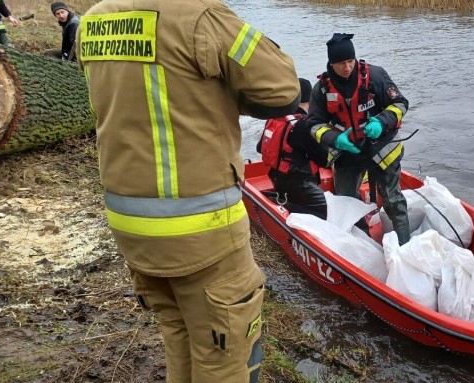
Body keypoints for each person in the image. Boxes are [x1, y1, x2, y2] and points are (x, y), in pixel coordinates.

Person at [76, 0, 300, 381]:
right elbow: (283, 91)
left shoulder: (93, 21)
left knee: (179, 337)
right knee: (227, 354)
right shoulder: (201, 17)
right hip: (202, 231)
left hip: (131, 225)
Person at [307, 33, 412, 245]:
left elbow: (400, 104)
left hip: (381, 147)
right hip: (348, 151)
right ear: (331, 63)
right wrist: (335, 139)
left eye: (350, 61)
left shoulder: (374, 76)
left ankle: (405, 246)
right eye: (340, 63)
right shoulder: (322, 89)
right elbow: (313, 124)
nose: (347, 67)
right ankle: (365, 244)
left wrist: (382, 121)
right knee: (346, 200)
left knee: (393, 200)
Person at [256, 78, 330, 220]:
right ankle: (277, 203)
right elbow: (324, 159)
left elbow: (260, 148)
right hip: (300, 183)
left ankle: (280, 200)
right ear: (311, 99)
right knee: (325, 213)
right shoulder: (303, 125)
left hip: (277, 177)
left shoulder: (275, 119)